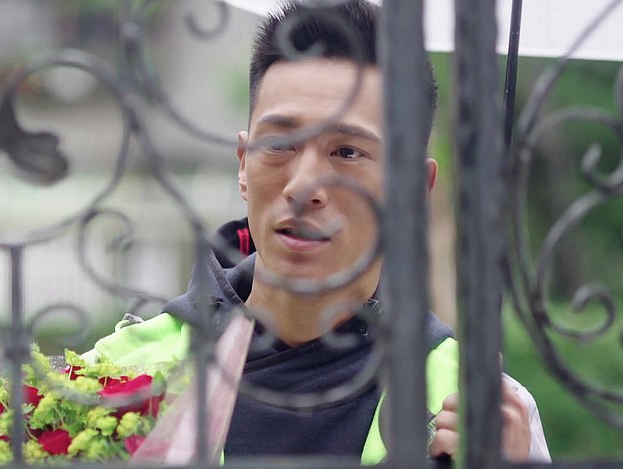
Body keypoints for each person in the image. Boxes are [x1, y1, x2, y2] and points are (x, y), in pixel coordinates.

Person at [87, 0, 550, 464]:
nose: (304, 186)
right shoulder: (114, 378)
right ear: (243, 165)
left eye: (347, 152)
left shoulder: (484, 411)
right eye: (280, 144)